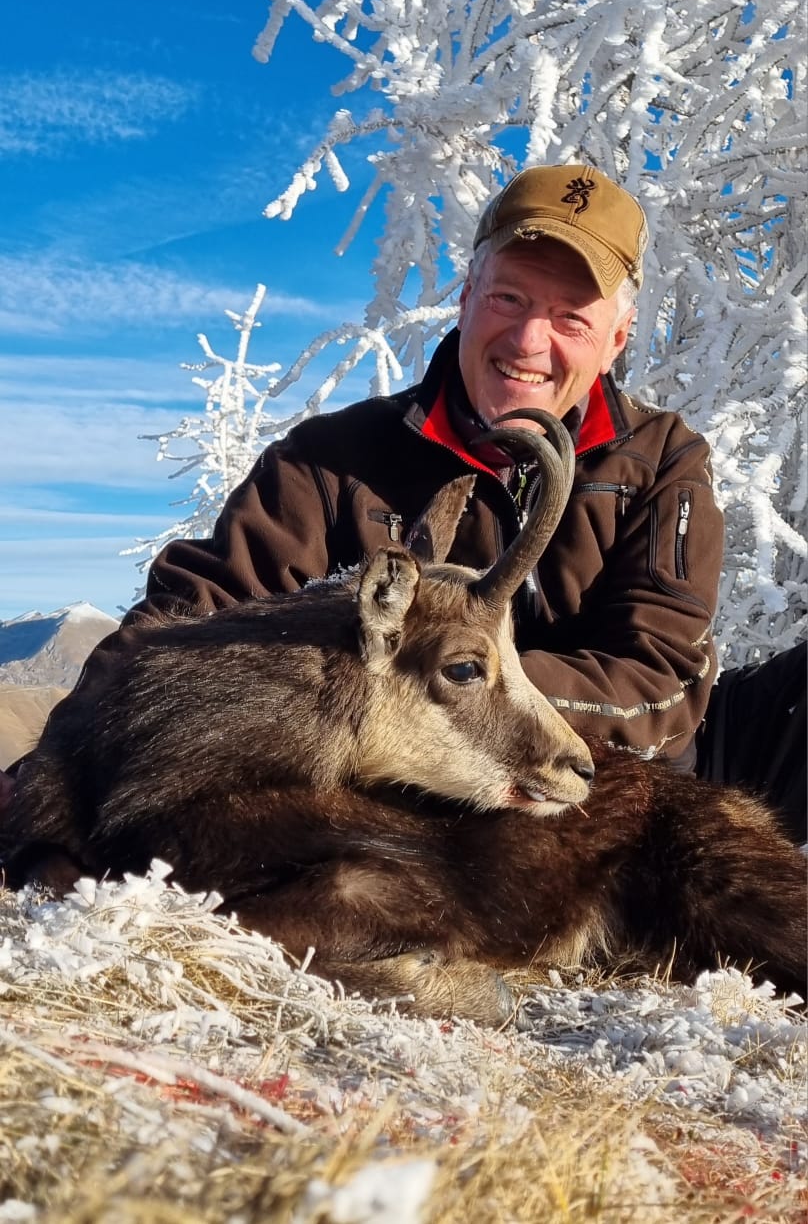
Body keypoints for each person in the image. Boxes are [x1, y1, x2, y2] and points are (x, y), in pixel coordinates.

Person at [1, 163, 727, 807]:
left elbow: (656, 673)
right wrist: (48, 784)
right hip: (387, 793)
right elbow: (185, 625)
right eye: (509, 298)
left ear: (617, 339)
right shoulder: (327, 458)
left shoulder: (662, 461)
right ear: (468, 294)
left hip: (603, 788)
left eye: (571, 316)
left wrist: (459, 683)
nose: (531, 342)